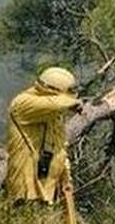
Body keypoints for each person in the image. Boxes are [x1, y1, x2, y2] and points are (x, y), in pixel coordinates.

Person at [5, 66, 82, 205]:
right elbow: (53, 103)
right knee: (24, 222)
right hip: (26, 191)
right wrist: (72, 102)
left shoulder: (53, 114)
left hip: (47, 187)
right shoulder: (22, 104)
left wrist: (65, 173)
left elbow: (59, 145)